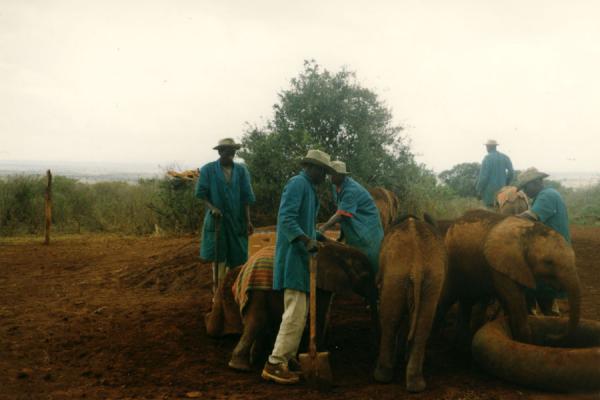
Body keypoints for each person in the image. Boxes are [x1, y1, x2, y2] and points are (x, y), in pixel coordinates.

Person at [261, 149, 333, 385]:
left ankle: (289, 358)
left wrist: (319, 237)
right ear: (312, 167)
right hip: (293, 257)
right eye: (323, 171)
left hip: (302, 258)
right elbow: (286, 219)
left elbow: (306, 224)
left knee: (299, 315)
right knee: (294, 313)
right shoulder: (297, 184)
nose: (324, 176)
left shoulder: (309, 189)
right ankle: (275, 362)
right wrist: (306, 240)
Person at [195, 138, 256, 291]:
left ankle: (235, 295)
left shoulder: (241, 171)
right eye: (228, 152)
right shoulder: (208, 170)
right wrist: (212, 208)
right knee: (219, 260)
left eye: (233, 152)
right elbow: (201, 194)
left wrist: (248, 220)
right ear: (220, 151)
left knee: (239, 259)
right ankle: (217, 298)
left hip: (237, 220)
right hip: (217, 220)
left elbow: (246, 197)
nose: (231, 155)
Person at [517, 167, 570, 316]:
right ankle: (542, 312)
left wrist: (504, 221)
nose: (524, 192)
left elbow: (531, 217)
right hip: (553, 249)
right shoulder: (547, 195)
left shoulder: (547, 195)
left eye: (525, 187)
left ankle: (544, 317)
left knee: (536, 284)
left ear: (536, 182)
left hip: (551, 252)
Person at [317, 160, 384, 274]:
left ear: (341, 176)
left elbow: (341, 214)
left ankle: (375, 283)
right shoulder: (336, 186)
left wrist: (323, 228)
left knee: (369, 257)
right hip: (355, 223)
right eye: (330, 174)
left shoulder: (350, 191)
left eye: (333, 174)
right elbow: (340, 209)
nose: (330, 177)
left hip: (366, 226)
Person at [476, 139, 514, 208]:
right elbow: (511, 172)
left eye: (487, 146)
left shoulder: (487, 158)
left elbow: (484, 177)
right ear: (495, 146)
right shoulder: (505, 157)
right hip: (504, 193)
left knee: (491, 216)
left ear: (489, 147)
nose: (486, 148)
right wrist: (506, 183)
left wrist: (479, 191)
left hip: (489, 195)